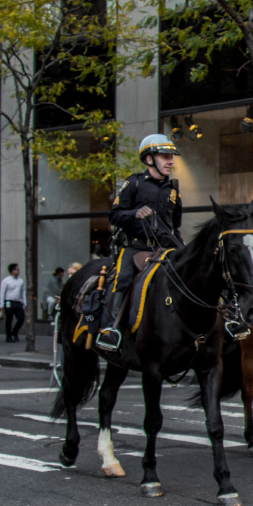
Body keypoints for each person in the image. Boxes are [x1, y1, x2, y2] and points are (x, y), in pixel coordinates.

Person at [96, 134, 183, 352]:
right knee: (123, 279)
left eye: (171, 157)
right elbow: (114, 215)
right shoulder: (133, 183)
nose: (170, 161)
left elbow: (176, 224)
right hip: (135, 247)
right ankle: (111, 329)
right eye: (165, 156)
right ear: (149, 159)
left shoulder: (173, 190)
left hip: (165, 248)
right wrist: (135, 213)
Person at [0, 263, 25, 343]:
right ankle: (9, 336)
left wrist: (24, 302)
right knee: (9, 320)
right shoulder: (6, 281)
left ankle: (14, 332)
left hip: (18, 302)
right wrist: (1, 304)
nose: (18, 271)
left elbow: (23, 292)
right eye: (16, 269)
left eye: (18, 269)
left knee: (21, 319)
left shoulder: (21, 281)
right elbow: (2, 292)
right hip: (9, 301)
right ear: (12, 271)